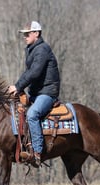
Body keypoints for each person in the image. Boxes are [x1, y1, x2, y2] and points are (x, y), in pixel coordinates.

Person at [8, 21, 60, 167]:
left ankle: (37, 152)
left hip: (48, 92)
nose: (25, 36)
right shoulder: (32, 49)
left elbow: (34, 72)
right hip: (37, 93)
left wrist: (18, 86)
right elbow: (29, 73)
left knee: (32, 114)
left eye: (27, 33)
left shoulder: (42, 49)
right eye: (24, 34)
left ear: (36, 33)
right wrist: (18, 88)